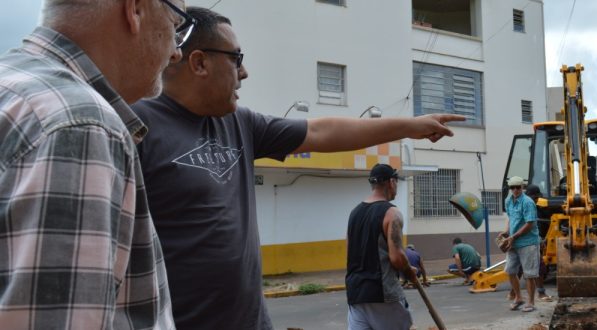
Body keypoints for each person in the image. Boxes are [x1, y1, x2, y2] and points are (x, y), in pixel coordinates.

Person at [130, 7, 465, 329]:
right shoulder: (134, 124)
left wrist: (410, 126)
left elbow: (322, 131)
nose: (244, 73)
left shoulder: (239, 124)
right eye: (236, 59)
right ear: (200, 62)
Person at [0, 0, 187, 328]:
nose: (176, 53)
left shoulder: (13, 87)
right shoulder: (81, 122)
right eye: (176, 25)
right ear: (136, 10)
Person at [346, 164, 416, 330]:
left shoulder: (354, 213)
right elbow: (397, 257)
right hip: (382, 293)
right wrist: (409, 271)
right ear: (391, 182)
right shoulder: (392, 213)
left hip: (356, 294)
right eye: (396, 182)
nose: (396, 188)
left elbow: (349, 251)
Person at [499, 176, 540, 312]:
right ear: (510, 189)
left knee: (529, 274)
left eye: (518, 187)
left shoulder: (528, 202)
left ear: (522, 187)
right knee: (510, 271)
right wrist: (506, 231)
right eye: (513, 188)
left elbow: (529, 224)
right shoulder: (508, 201)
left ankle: (531, 302)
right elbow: (511, 218)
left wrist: (514, 236)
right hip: (513, 242)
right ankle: (518, 297)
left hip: (528, 242)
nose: (515, 190)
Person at [525, 184, 553, 302]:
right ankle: (538, 295)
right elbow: (530, 225)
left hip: (531, 241)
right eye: (536, 197)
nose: (537, 200)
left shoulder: (533, 206)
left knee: (524, 269)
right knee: (538, 269)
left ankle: (515, 295)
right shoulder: (530, 207)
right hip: (530, 242)